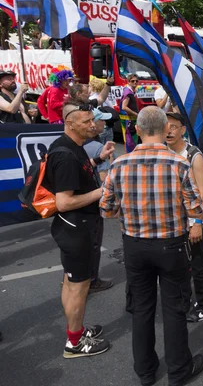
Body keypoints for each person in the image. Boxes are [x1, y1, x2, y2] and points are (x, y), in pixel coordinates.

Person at [99, 106, 203, 386]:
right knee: (174, 308)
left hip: (134, 245)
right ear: (163, 129)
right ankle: (179, 370)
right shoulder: (179, 163)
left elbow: (107, 209)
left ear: (138, 129)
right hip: (171, 244)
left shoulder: (119, 164)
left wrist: (131, 212)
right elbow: (196, 207)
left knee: (142, 309)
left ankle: (145, 372)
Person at [46, 98, 115, 358]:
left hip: (75, 227)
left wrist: (99, 159)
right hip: (75, 227)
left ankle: (76, 330)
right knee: (78, 287)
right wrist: (103, 189)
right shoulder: (64, 155)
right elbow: (63, 202)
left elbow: (81, 172)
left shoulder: (73, 147)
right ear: (70, 123)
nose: (92, 125)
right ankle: (74, 344)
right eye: (86, 121)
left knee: (70, 282)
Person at [164, 112, 203, 323]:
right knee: (181, 263)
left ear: (183, 130)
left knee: (196, 262)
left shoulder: (193, 155)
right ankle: (188, 300)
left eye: (174, 127)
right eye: (165, 126)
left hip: (193, 219)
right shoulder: (164, 151)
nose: (168, 130)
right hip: (174, 219)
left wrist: (196, 223)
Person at [82, 108, 116, 293]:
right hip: (94, 201)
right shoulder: (97, 147)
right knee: (93, 243)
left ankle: (76, 277)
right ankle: (92, 280)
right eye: (101, 120)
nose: (104, 124)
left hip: (78, 201)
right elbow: (105, 179)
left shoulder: (76, 144)